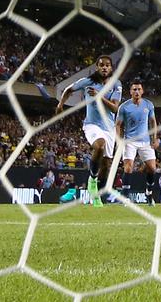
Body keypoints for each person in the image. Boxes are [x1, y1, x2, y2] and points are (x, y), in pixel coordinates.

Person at [56, 55, 122, 207]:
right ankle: (92, 179)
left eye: (107, 65)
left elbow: (115, 107)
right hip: (92, 124)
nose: (104, 67)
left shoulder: (116, 84)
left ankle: (96, 194)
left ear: (111, 68)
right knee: (100, 145)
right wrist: (60, 105)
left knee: (106, 165)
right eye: (101, 65)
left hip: (109, 127)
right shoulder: (88, 82)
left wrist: (99, 97)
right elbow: (68, 89)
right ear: (97, 67)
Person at [115, 80, 158, 206]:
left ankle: (149, 193)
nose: (137, 92)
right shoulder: (124, 107)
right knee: (128, 168)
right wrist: (119, 141)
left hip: (145, 142)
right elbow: (118, 125)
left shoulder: (148, 105)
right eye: (134, 89)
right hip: (129, 141)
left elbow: (153, 122)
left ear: (142, 91)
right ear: (130, 92)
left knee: (152, 169)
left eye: (139, 89)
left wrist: (154, 138)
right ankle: (125, 197)